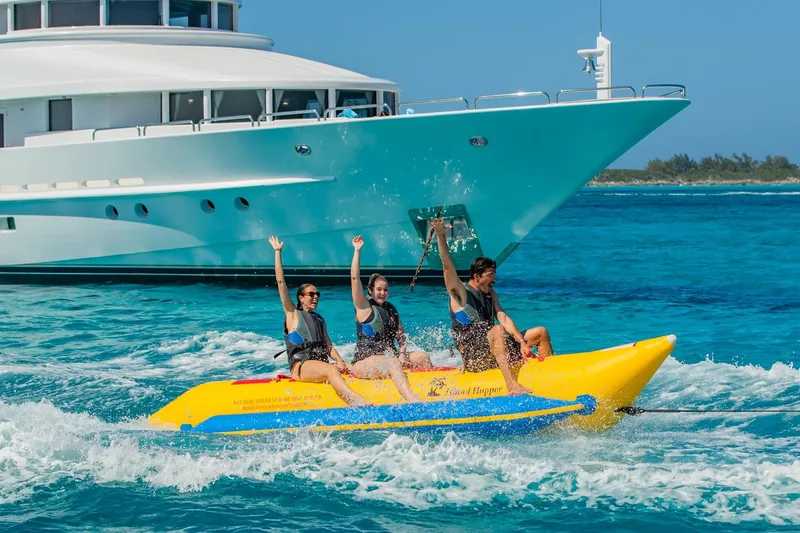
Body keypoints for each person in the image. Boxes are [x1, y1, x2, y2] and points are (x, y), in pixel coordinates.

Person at [430, 219, 554, 395]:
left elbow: (503, 317)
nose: (494, 279)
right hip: (475, 357)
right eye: (490, 275)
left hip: (495, 347)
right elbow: (447, 265)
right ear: (476, 276)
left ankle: (550, 376)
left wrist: (521, 342)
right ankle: (511, 386)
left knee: (540, 332)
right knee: (497, 330)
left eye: (494, 274)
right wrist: (441, 236)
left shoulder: (490, 293)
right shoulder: (460, 293)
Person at [268, 235, 369, 407]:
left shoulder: (319, 319)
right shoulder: (292, 313)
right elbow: (280, 282)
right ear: (300, 298)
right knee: (330, 370)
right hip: (301, 366)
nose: (315, 297)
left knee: (351, 368)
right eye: (311, 294)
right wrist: (277, 252)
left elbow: (328, 346)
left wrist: (340, 361)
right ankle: (357, 403)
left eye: (317, 294)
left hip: (320, 364)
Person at [348, 235, 425, 402]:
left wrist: (403, 354)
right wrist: (357, 251)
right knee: (392, 362)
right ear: (370, 291)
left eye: (385, 290)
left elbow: (401, 336)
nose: (383, 293)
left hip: (390, 357)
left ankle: (435, 389)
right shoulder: (363, 307)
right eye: (379, 289)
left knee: (422, 357)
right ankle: (412, 399)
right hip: (365, 361)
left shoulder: (391, 309)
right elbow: (354, 279)